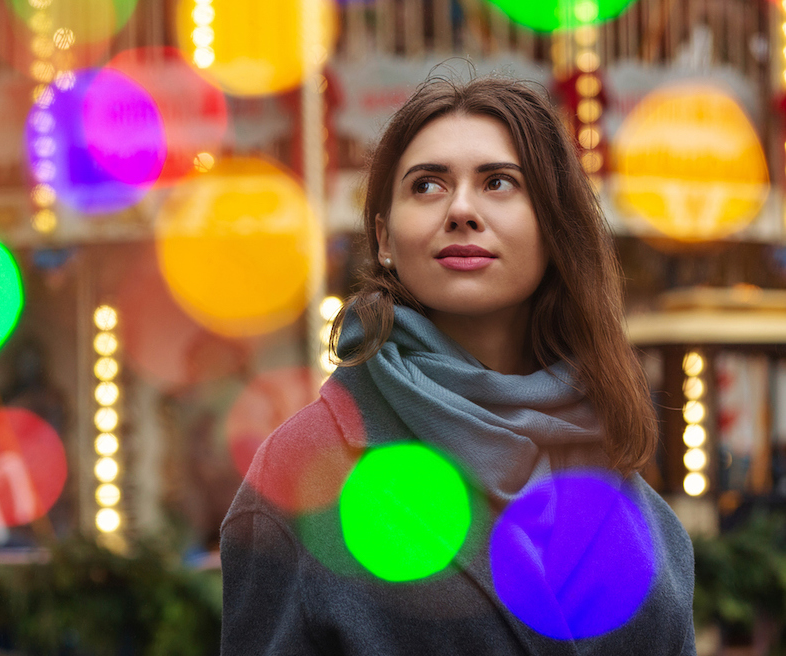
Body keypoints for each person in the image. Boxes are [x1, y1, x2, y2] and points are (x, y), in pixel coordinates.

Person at [219, 74, 695, 655]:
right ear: (384, 238)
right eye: (427, 186)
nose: (462, 210)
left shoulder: (618, 471)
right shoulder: (302, 472)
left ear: (554, 226)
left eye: (499, 182)